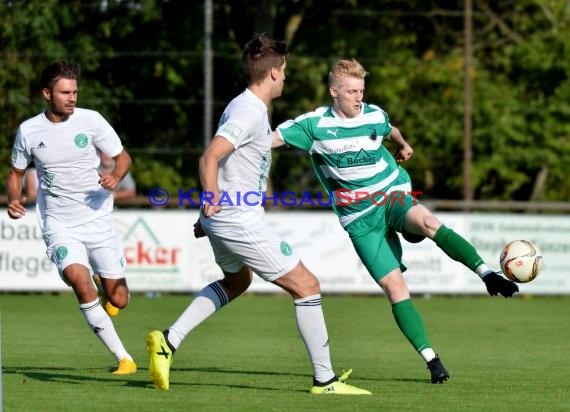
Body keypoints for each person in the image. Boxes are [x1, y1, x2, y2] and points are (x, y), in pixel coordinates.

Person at [145, 35, 370, 395]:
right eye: (284, 72)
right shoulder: (249, 111)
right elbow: (210, 156)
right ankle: (325, 381)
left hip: (225, 217)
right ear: (274, 73)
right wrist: (211, 198)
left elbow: (228, 165)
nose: (286, 78)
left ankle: (168, 341)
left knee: (237, 282)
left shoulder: (244, 107)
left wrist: (209, 214)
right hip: (237, 218)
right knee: (307, 286)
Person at [272, 59, 520, 384]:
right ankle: (432, 360)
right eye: (350, 91)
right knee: (393, 287)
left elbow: (391, 131)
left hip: (391, 193)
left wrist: (403, 145)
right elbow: (268, 141)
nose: (358, 97)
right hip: (359, 219)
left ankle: (487, 274)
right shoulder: (313, 125)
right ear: (334, 91)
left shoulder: (374, 114)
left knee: (429, 223)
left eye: (361, 90)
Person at [6, 60, 137, 375]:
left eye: (75, 91)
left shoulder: (91, 121)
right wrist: (13, 198)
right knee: (78, 279)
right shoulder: (29, 130)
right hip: (59, 225)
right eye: (65, 92)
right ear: (47, 93)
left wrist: (116, 177)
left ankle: (103, 284)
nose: (73, 97)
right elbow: (15, 173)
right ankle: (124, 358)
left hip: (97, 220)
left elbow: (123, 158)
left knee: (119, 300)